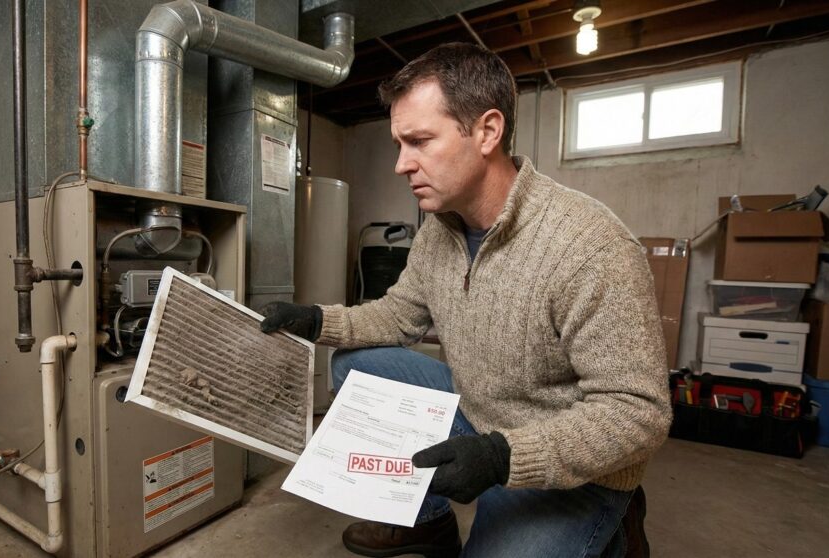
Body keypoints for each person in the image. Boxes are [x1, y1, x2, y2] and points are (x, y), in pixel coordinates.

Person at [261, 42, 671, 558]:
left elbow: (638, 413)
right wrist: (316, 319)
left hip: (568, 468)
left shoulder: (588, 248)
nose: (400, 165)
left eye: (419, 141)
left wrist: (502, 458)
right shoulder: (439, 230)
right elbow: (399, 315)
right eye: (397, 144)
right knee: (357, 365)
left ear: (487, 132)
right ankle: (429, 522)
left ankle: (614, 528)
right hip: (480, 414)